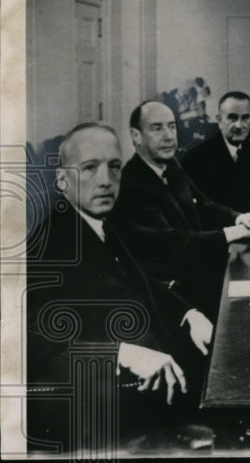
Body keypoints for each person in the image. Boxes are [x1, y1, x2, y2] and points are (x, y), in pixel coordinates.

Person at [27, 123, 210, 450]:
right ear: (61, 180)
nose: (105, 180)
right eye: (89, 168)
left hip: (145, 393)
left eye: (114, 167)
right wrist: (120, 354)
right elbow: (31, 342)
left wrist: (189, 313)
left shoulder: (102, 224)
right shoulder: (49, 245)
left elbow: (140, 284)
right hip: (99, 420)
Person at [111, 101, 250, 317]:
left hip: (198, 277)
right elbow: (174, 244)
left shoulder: (171, 165)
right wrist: (232, 233)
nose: (168, 136)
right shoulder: (131, 184)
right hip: (174, 300)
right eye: (157, 128)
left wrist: (239, 218)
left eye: (172, 126)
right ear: (136, 136)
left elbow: (205, 205)